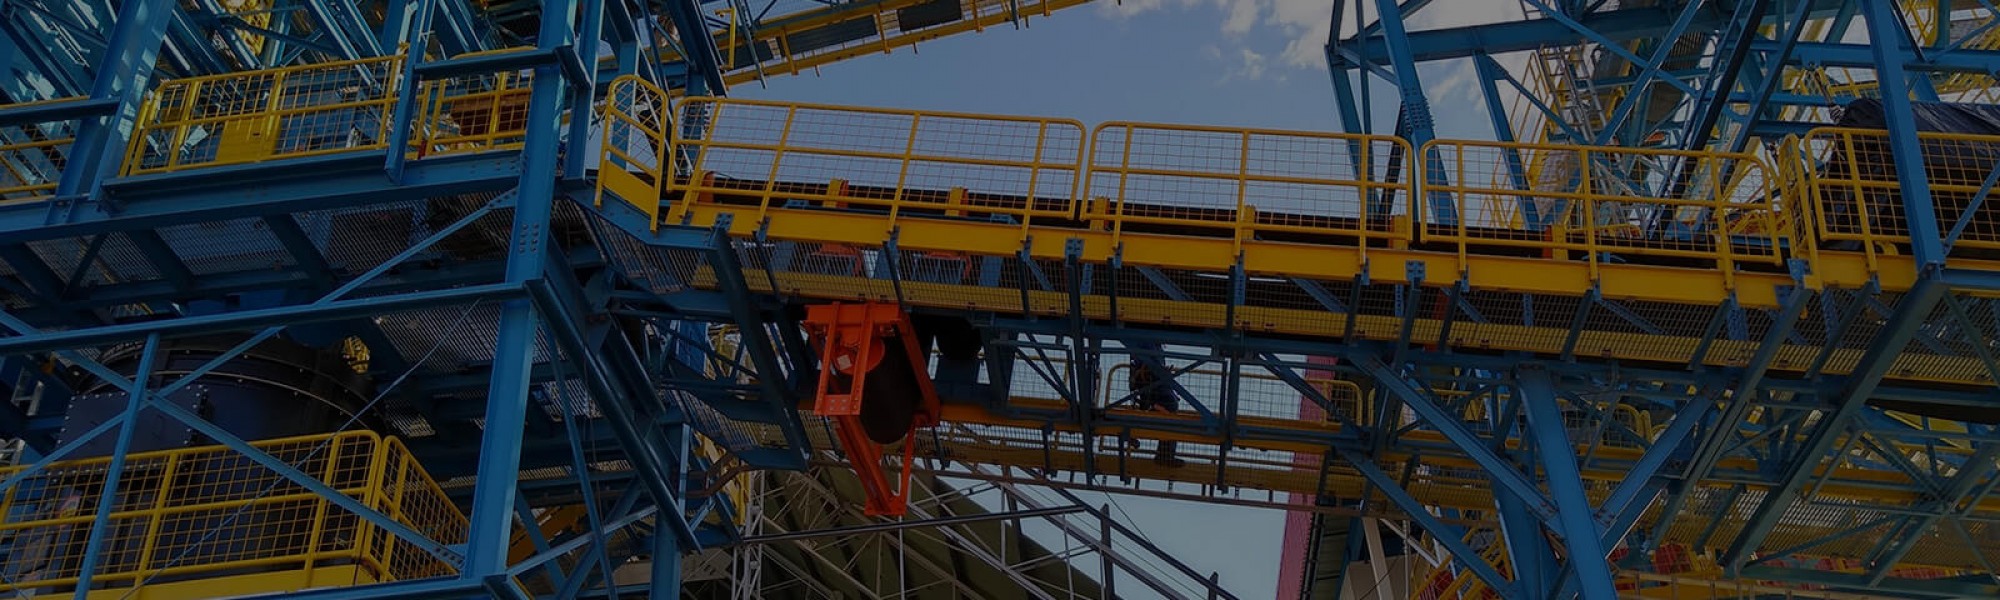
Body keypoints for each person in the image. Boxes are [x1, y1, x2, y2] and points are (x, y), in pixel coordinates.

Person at [1127, 359, 1185, 467]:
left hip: (1159, 403)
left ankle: (1164, 456)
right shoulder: (1151, 369)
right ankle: (1164, 456)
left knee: (1171, 425)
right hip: (1159, 405)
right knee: (1172, 425)